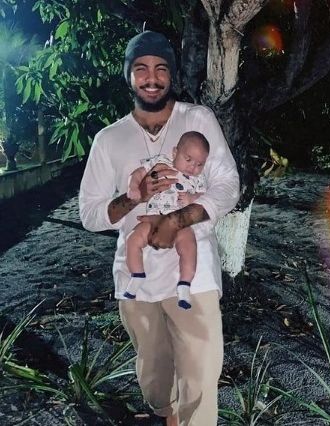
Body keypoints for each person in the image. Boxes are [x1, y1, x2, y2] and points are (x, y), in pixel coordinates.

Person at [79, 30, 240, 426]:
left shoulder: (197, 119)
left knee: (201, 375)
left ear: (172, 74)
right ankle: (164, 411)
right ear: (128, 75)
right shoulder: (109, 139)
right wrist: (132, 198)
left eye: (160, 68)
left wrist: (177, 220)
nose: (151, 78)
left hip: (194, 272)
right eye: (141, 69)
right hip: (138, 277)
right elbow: (91, 214)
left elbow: (226, 185)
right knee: (154, 376)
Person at [125, 131, 210, 310]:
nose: (193, 167)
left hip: (180, 223)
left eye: (199, 164)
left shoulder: (198, 179)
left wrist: (192, 198)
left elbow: (206, 198)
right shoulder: (161, 162)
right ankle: (137, 275)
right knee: (132, 240)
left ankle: (184, 285)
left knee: (189, 247)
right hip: (153, 218)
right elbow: (138, 173)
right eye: (188, 159)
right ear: (174, 152)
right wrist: (133, 187)